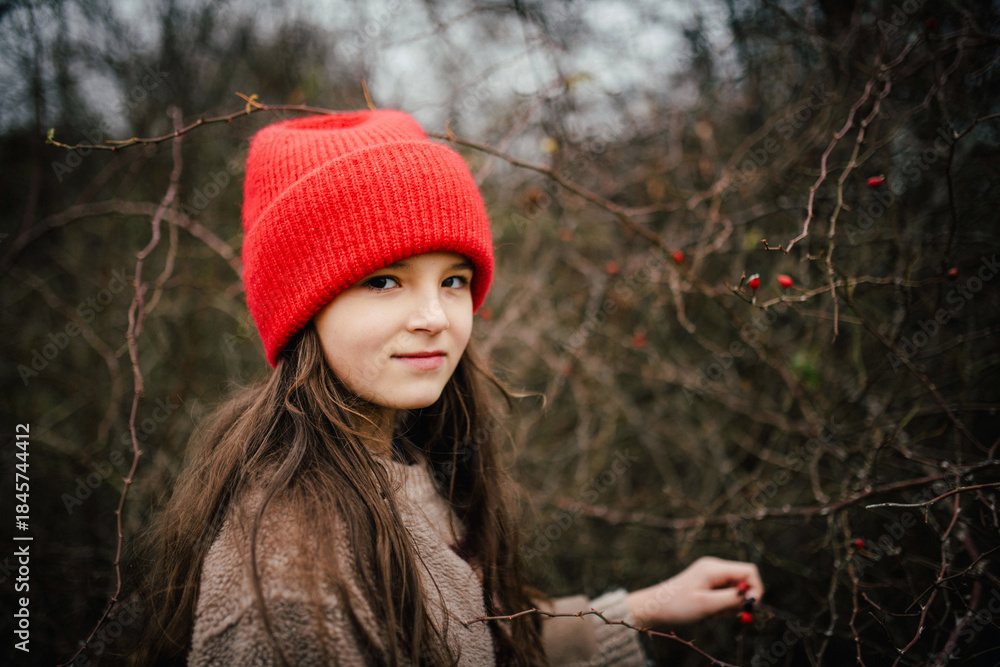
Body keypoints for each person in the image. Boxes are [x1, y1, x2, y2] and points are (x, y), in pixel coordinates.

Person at [134, 110, 763, 666]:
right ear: (301, 311)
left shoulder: (401, 461)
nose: (435, 316)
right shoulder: (288, 580)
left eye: (454, 280)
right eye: (384, 281)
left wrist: (644, 608)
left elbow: (470, 640)